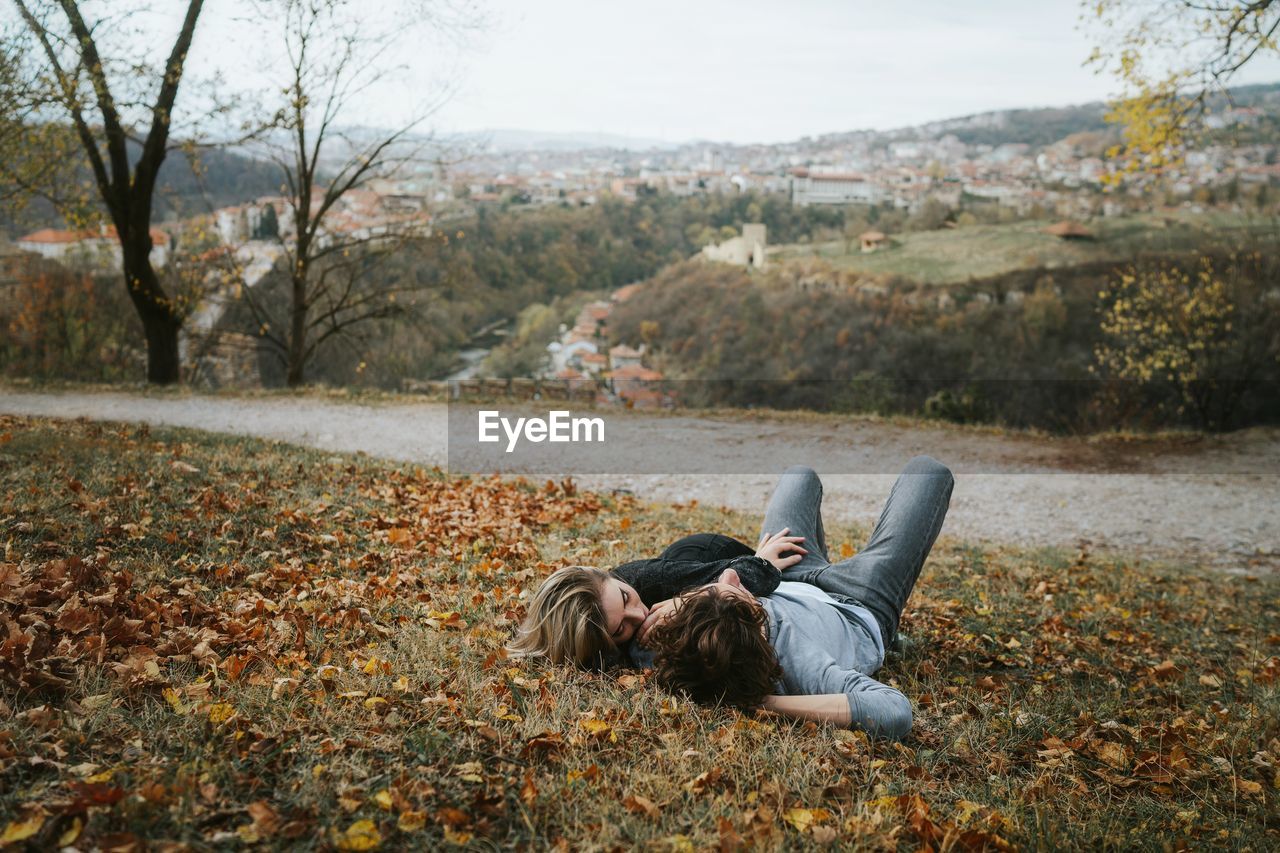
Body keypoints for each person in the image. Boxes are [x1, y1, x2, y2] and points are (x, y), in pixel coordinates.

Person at [639, 457, 954, 739]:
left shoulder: (681, 648)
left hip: (786, 575)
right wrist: (769, 704)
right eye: (738, 592)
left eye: (707, 593)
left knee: (799, 475)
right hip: (859, 602)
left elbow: (610, 600)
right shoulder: (805, 667)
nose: (731, 575)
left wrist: (681, 609)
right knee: (929, 473)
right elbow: (894, 711)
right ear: (757, 626)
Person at [505, 530, 808, 668]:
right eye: (620, 628)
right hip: (684, 565)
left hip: (708, 553)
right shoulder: (601, 652)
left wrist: (685, 600)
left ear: (609, 577)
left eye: (625, 599)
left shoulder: (645, 579)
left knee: (797, 565)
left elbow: (753, 577)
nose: (638, 615)